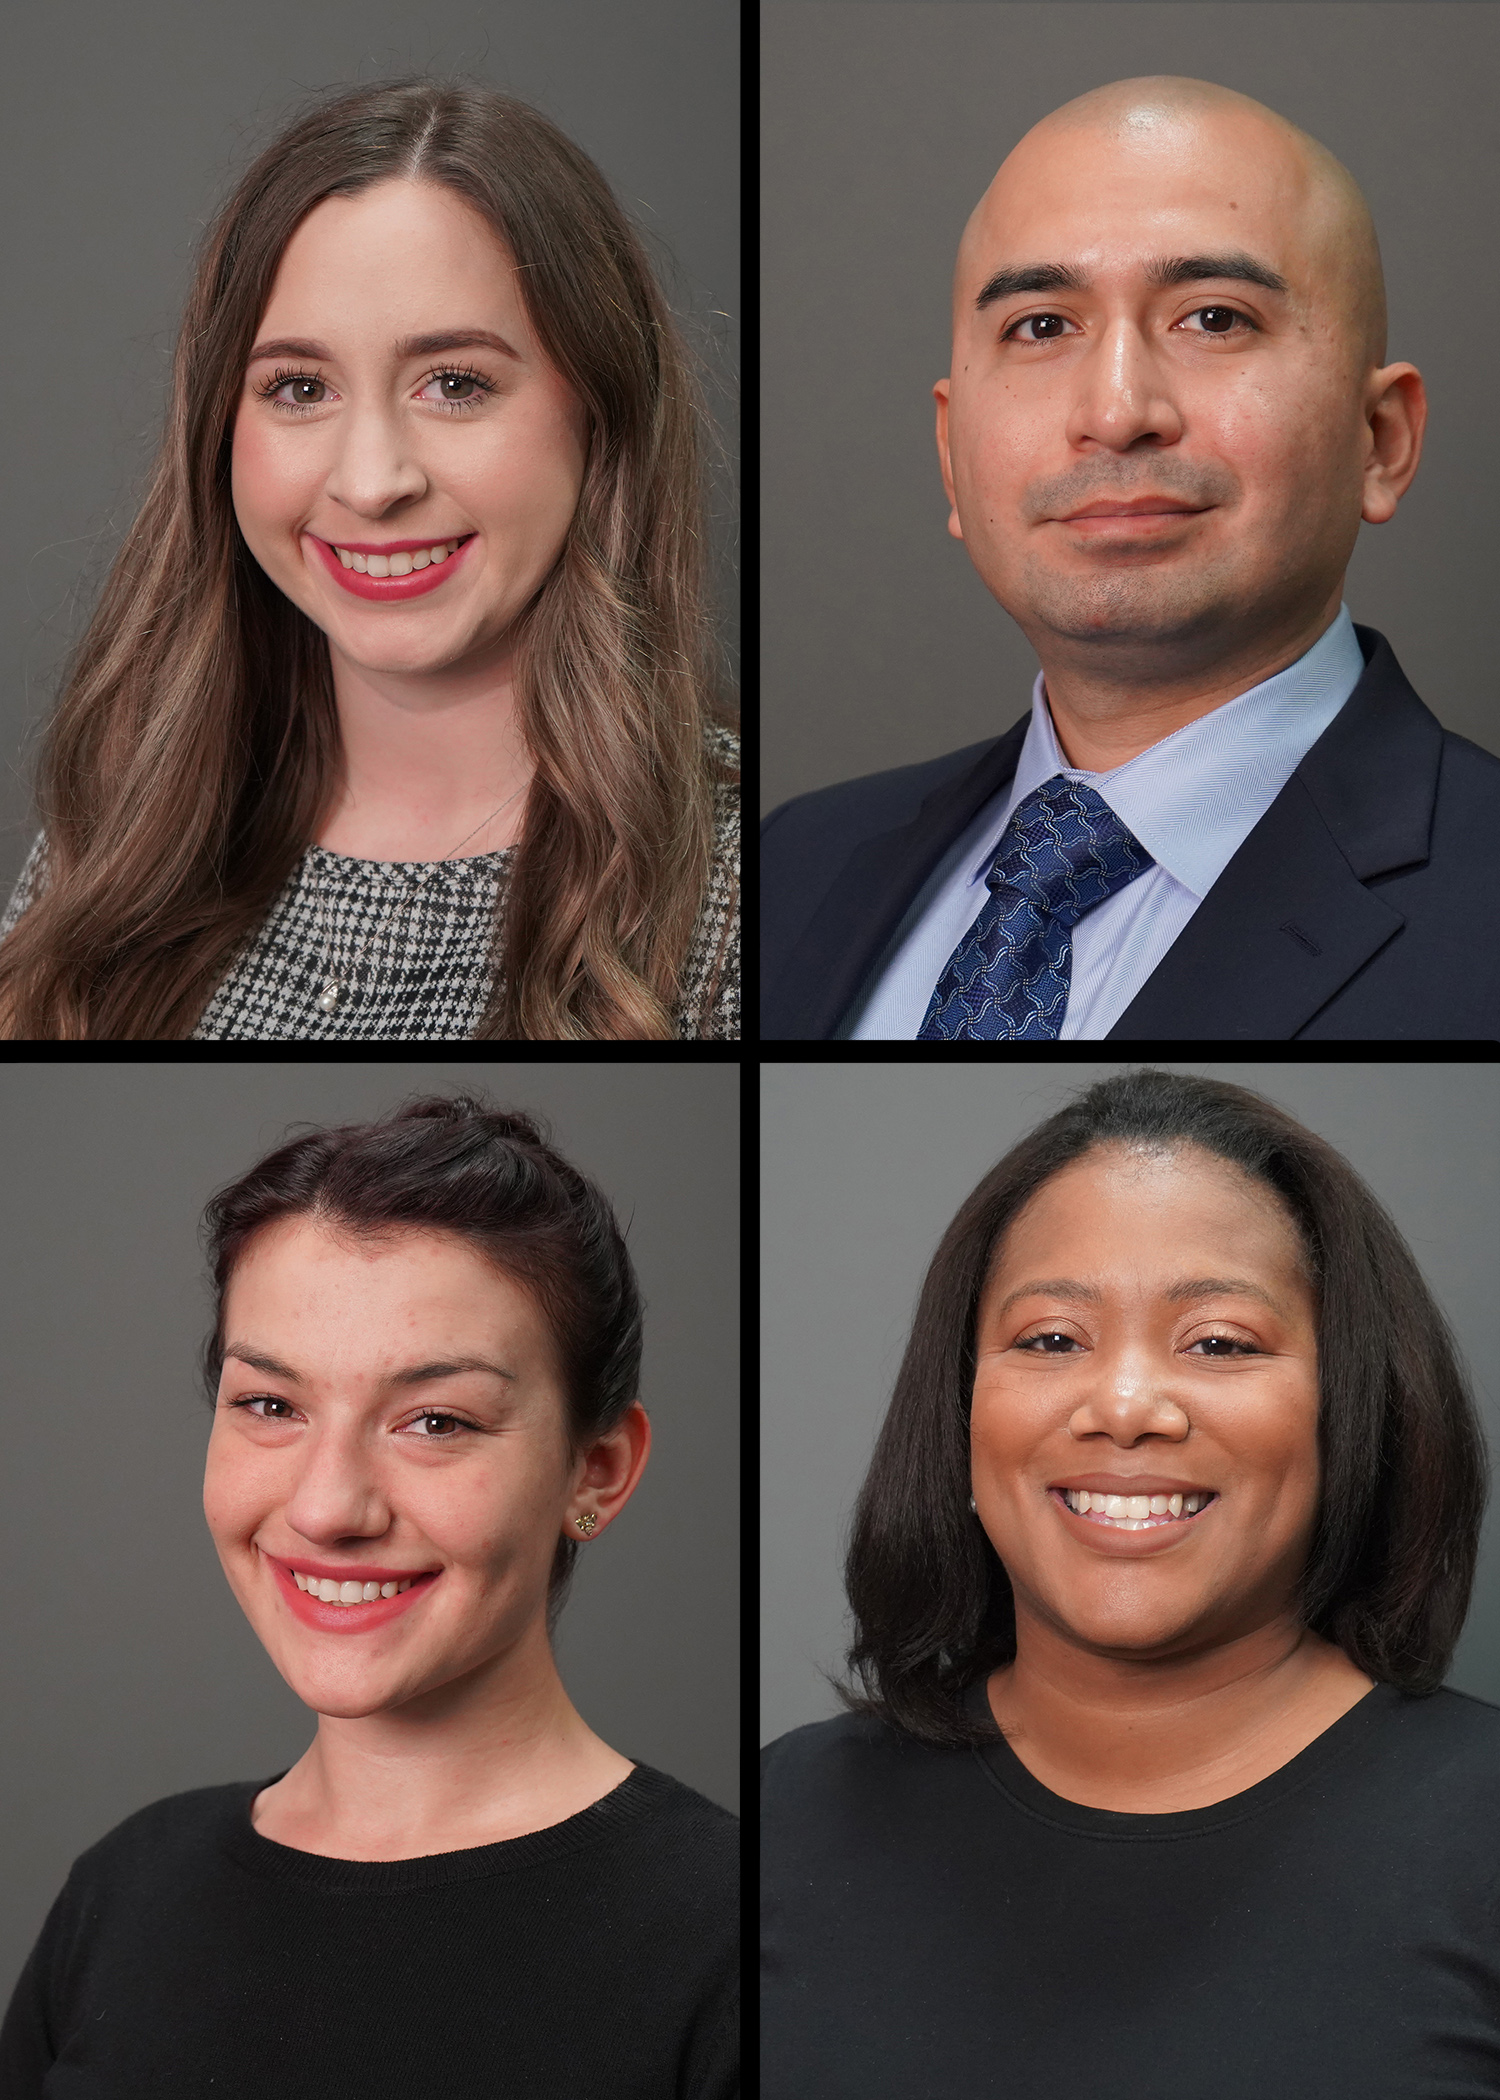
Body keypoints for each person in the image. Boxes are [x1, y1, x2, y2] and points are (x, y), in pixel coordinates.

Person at [761, 1067, 1499, 2096]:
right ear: (964, 1410)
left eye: (1220, 1343)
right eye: (1053, 1339)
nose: (1124, 1405)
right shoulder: (783, 1820)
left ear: (1350, 1409)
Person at [0, 1095, 739, 2095]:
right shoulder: (123, 1890)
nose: (327, 1506)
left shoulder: (730, 1935)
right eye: (271, 1405)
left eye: (435, 1421)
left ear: (595, 1471)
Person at [761, 76, 1500, 1040]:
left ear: (1380, 439)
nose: (1115, 413)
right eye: (1041, 327)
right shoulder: (791, 865)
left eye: (1214, 318)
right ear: (951, 457)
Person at [0, 78, 739, 1040]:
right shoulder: (118, 830)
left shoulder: (742, 880)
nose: (371, 480)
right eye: (300, 387)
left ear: (598, 416)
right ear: (219, 425)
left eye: (456, 383)